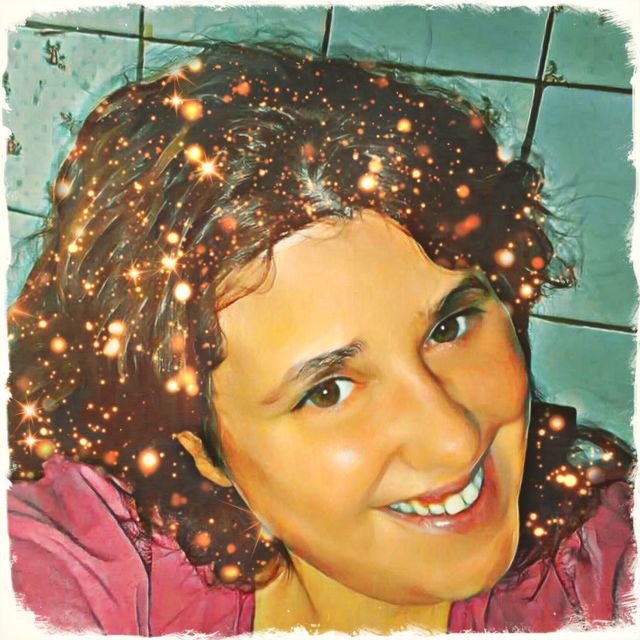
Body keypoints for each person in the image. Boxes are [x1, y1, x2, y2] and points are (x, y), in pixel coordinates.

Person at [6, 43, 636, 635]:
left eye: (449, 327)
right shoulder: (88, 559)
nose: (454, 439)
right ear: (201, 450)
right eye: (329, 390)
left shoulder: (604, 572)